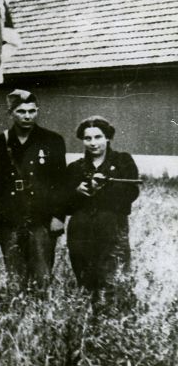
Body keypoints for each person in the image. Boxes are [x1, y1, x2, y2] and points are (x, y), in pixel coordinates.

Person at [0, 89, 67, 288]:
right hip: (10, 219)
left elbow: (60, 182)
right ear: (10, 113)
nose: (27, 116)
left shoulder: (53, 140)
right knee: (15, 277)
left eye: (32, 111)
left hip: (41, 218)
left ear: (37, 111)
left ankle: (41, 307)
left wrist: (59, 216)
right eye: (21, 111)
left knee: (42, 276)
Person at [64, 116, 139, 296]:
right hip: (81, 232)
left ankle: (113, 311)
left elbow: (131, 192)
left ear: (108, 137)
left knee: (114, 278)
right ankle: (88, 311)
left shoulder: (122, 161)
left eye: (98, 137)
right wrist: (76, 191)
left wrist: (103, 187)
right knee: (85, 279)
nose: (93, 143)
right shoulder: (75, 167)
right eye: (87, 138)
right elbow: (65, 204)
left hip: (113, 229)